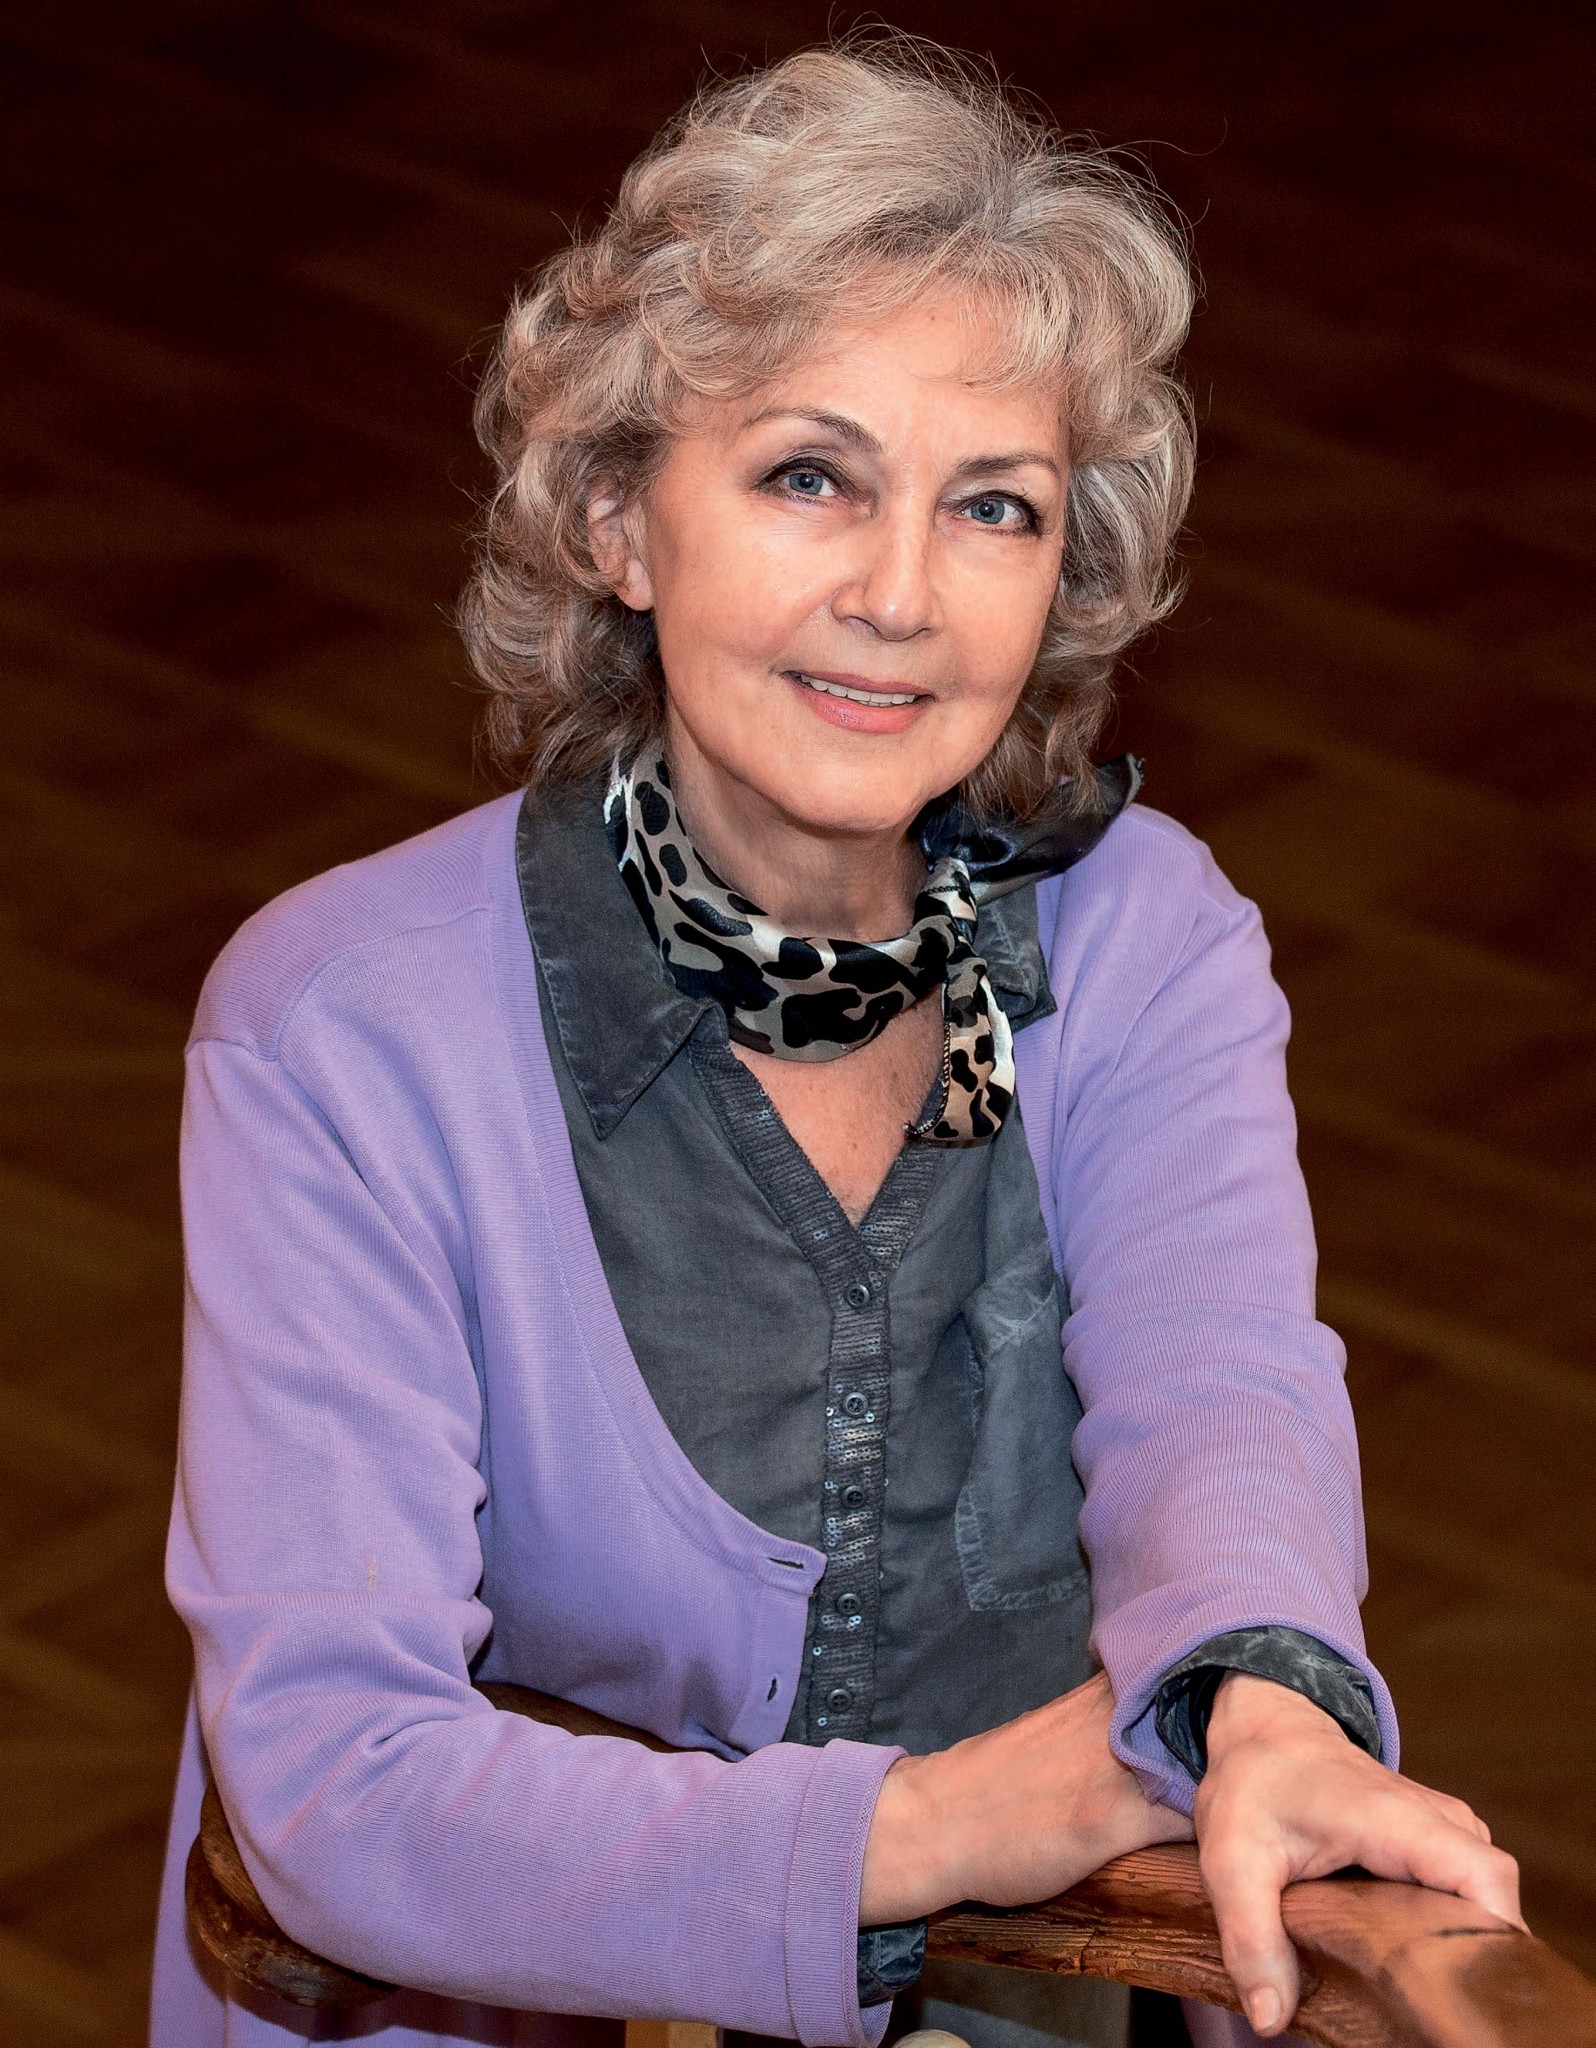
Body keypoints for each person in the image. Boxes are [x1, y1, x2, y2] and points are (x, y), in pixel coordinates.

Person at [149, 37, 1521, 2048]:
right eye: (811, 476)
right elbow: (337, 1787)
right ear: (621, 521)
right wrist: (927, 1831)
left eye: (994, 508)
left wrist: (1266, 1700)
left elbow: (1220, 1392)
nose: (901, 594)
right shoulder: (347, 1026)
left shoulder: (1144, 941)